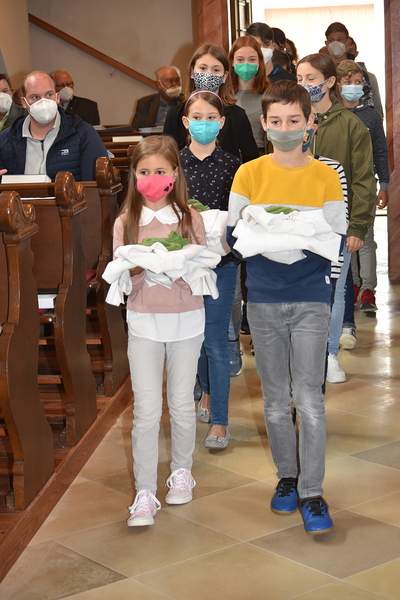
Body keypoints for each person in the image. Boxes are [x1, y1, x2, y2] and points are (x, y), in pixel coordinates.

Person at [227, 80, 346, 534]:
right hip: (263, 295)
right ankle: (288, 478)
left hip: (311, 294)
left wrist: (282, 234)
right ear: (264, 124)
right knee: (276, 399)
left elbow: (334, 236)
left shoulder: (324, 176)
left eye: (294, 120)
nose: (285, 128)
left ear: (309, 122)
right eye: (276, 121)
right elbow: (235, 234)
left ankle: (313, 492)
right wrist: (289, 232)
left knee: (310, 399)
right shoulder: (249, 173)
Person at [112, 135, 212, 526]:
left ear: (174, 173)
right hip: (144, 322)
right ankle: (144, 492)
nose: (152, 178)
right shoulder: (126, 222)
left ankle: (182, 471)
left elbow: (203, 267)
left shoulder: (190, 219)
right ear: (134, 176)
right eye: (144, 172)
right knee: (146, 409)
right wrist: (143, 265)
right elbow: (121, 277)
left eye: (160, 171)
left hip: (187, 320)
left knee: (182, 403)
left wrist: (179, 264)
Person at [297, 54, 376, 381]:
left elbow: (363, 180)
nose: (304, 84)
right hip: (298, 225)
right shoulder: (294, 120)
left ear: (330, 82)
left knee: (336, 289)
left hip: (336, 225)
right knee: (304, 292)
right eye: (300, 78)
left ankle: (329, 353)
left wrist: (357, 226)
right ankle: (304, 354)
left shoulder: (350, 124)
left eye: (311, 78)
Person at [180, 90, 241, 449]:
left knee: (215, 339)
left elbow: (240, 217)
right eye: (197, 117)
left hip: (221, 262)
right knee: (195, 337)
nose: (204, 123)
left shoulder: (234, 166)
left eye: (211, 118)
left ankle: (220, 420)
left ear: (221, 122)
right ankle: (203, 391)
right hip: (184, 263)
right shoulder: (174, 164)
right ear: (186, 122)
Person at [337, 59, 389, 313]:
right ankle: (354, 283)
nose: (353, 86)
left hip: (365, 185)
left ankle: (368, 289)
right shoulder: (333, 116)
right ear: (337, 84)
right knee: (347, 238)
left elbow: (381, 152)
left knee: (366, 238)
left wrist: (384, 184)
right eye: (348, 82)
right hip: (337, 187)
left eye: (358, 82)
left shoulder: (372, 116)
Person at [0, 71, 107, 182]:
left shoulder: (83, 133)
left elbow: (95, 185)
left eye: (49, 95)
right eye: (35, 97)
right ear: (24, 102)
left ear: (57, 97)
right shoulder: (5, 140)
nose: (43, 102)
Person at [163, 44, 258, 162]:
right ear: (192, 72)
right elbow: (166, 157)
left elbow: (251, 159)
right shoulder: (175, 114)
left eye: (216, 70)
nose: (208, 74)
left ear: (224, 76)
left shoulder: (237, 115)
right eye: (203, 68)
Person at [322, 23, 382, 115]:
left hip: (362, 120)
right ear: (326, 44)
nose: (335, 44)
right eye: (331, 40)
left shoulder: (364, 75)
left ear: (347, 42)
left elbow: (376, 109)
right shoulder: (322, 73)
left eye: (340, 40)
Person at [229, 36, 269, 155]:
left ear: (259, 61)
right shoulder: (224, 95)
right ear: (232, 62)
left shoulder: (269, 95)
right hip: (230, 155)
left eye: (252, 59)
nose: (246, 64)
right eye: (240, 59)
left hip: (260, 154)